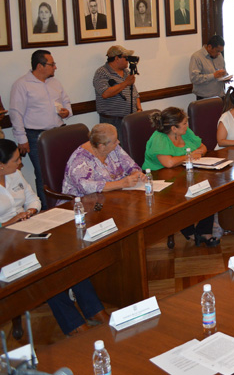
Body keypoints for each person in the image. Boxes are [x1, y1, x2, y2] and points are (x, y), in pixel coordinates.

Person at [0, 139, 109, 336]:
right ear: (1, 165)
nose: (20, 163)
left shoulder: (15, 174)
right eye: (16, 160)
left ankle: (93, 310)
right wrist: (10, 222)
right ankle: (73, 324)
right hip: (4, 243)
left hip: (27, 230)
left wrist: (30, 211)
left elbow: (34, 199)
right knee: (46, 271)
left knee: (65, 257)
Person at [143, 107, 218, 247]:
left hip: (183, 172)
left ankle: (204, 232)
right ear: (174, 128)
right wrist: (189, 155)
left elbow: (203, 147)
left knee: (208, 190)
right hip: (160, 180)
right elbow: (168, 163)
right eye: (184, 123)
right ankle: (189, 230)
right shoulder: (159, 138)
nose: (187, 125)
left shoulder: (185, 132)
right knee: (181, 196)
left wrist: (197, 153)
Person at [9, 50, 73, 207]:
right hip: (35, 136)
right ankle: (47, 209)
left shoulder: (55, 82)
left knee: (63, 169)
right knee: (43, 174)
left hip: (58, 133)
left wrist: (67, 112)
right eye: (52, 64)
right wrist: (22, 139)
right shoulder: (22, 84)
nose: (55, 67)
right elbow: (16, 113)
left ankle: (64, 205)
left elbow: (66, 101)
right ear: (40, 66)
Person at [62, 123, 143, 198]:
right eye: (115, 141)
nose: (118, 142)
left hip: (113, 197)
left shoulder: (113, 147)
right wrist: (121, 183)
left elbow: (131, 165)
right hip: (81, 203)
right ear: (102, 146)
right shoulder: (80, 160)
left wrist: (136, 174)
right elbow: (85, 187)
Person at [94, 45, 142, 137]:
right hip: (112, 121)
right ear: (116, 58)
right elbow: (105, 93)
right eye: (126, 57)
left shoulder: (126, 72)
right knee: (115, 144)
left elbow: (135, 93)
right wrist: (125, 83)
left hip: (129, 118)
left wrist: (139, 109)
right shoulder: (102, 72)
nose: (128, 60)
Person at [189, 35, 229, 99]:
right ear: (209, 47)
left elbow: (223, 71)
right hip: (205, 98)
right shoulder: (196, 57)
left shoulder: (219, 56)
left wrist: (225, 77)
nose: (219, 53)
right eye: (217, 51)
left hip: (220, 96)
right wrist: (213, 76)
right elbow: (194, 78)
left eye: (220, 51)